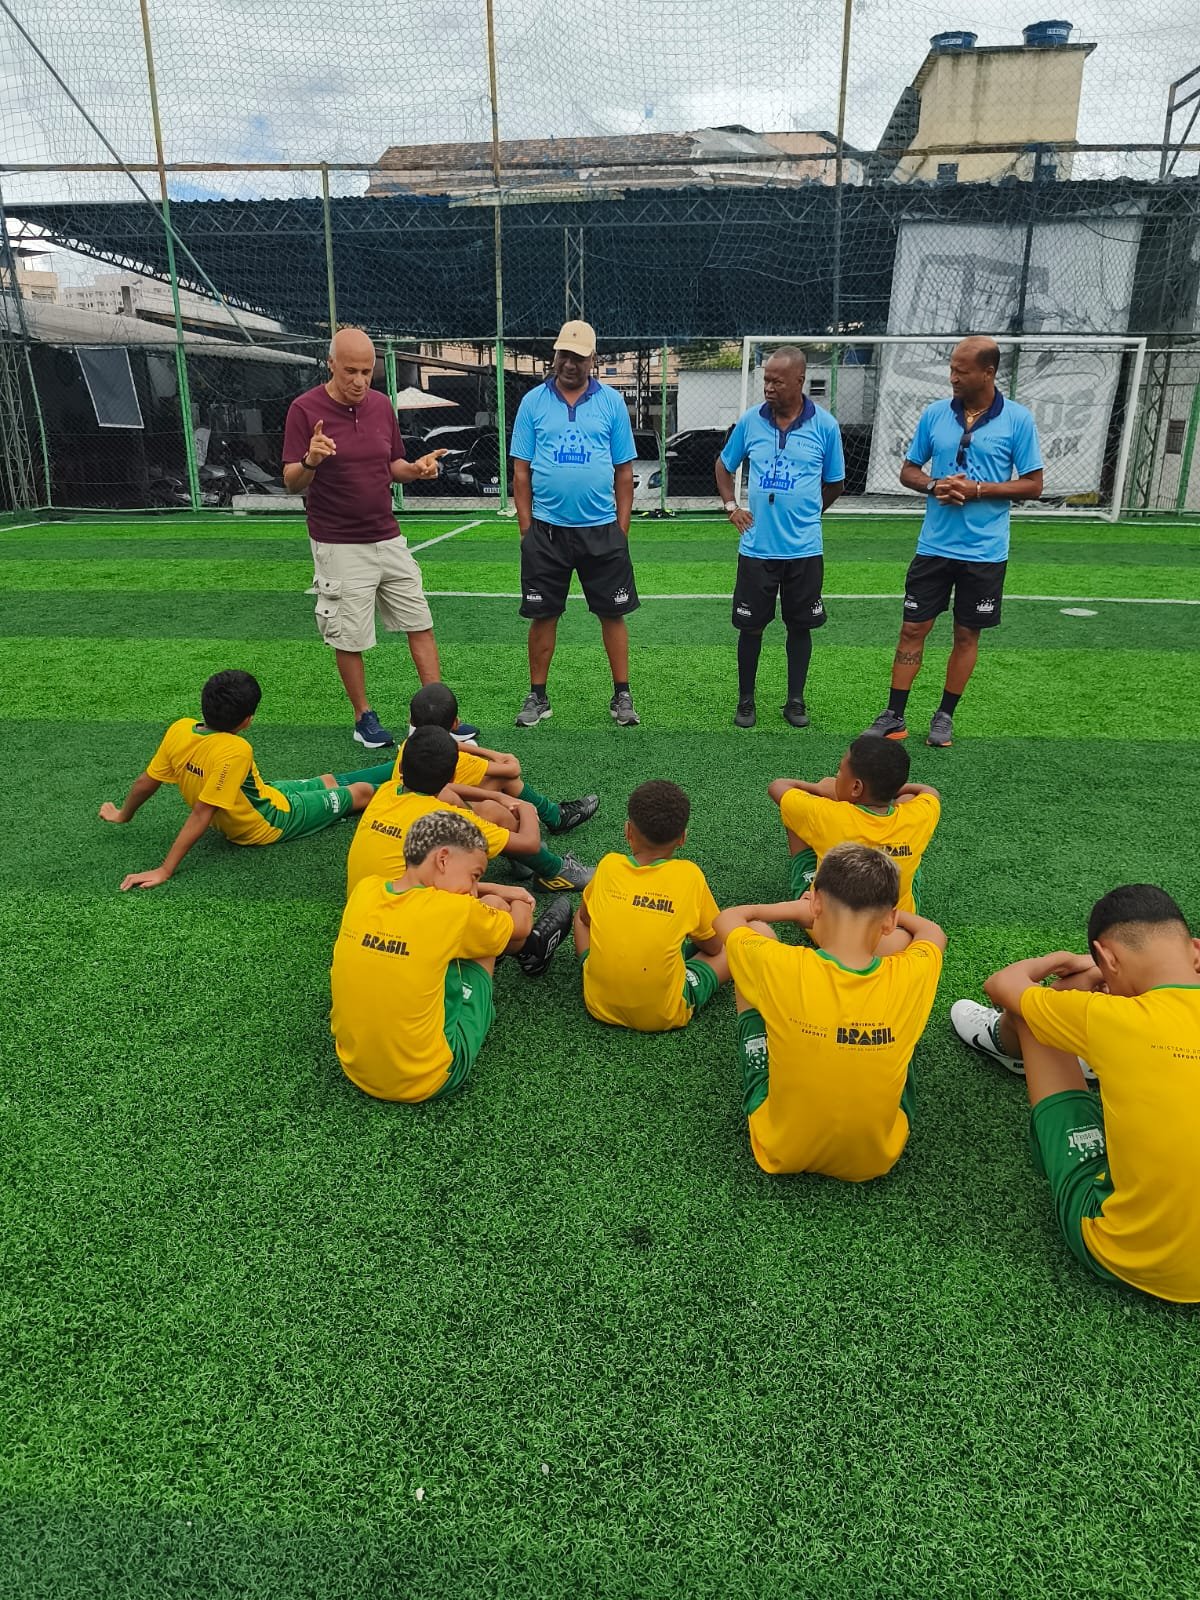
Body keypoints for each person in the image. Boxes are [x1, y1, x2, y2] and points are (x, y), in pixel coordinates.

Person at [951, 884, 1200, 1304]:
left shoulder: (1111, 1016)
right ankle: (1095, 1058)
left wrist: (1072, 965)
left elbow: (1002, 983)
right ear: (1194, 950)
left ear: (1108, 959)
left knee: (1036, 1016)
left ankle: (1010, 1046)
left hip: (1129, 1258)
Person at [282, 326, 472, 750]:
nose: (359, 381)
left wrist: (417, 469)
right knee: (348, 635)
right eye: (350, 370)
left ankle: (436, 716)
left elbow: (393, 465)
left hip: (387, 536)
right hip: (337, 542)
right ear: (330, 364)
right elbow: (292, 481)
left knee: (419, 620)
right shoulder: (303, 409)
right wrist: (311, 459)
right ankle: (363, 717)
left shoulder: (382, 406)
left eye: (367, 372)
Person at [716, 843, 945, 1180]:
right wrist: (890, 913)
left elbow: (730, 919)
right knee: (901, 966)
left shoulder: (780, 964)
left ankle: (759, 1052)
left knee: (756, 939)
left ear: (817, 902)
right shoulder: (912, 972)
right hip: (877, 1158)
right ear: (889, 919)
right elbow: (932, 932)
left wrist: (797, 908)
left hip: (780, 1149)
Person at [864, 335, 1043, 749]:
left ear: (989, 372)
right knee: (913, 628)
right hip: (934, 547)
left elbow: (1033, 485)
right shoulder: (934, 415)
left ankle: (944, 715)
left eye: (961, 371)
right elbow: (909, 470)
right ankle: (894, 715)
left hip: (984, 552)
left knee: (966, 635)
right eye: (951, 369)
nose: (953, 378)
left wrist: (978, 490)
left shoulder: (1017, 420)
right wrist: (934, 485)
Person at [332, 812, 570, 1105]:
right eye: (475, 876)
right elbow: (519, 924)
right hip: (429, 1078)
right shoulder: (453, 911)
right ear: (443, 859)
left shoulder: (365, 890)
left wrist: (491, 886)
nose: (472, 890)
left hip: (354, 1066)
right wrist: (519, 898)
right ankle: (533, 949)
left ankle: (504, 945)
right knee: (493, 908)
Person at [99, 669, 375, 890]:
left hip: (267, 795)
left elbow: (146, 781)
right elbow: (202, 813)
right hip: (268, 822)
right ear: (247, 720)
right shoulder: (236, 750)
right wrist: (165, 869)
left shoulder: (180, 728)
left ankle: (403, 761)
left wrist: (124, 814)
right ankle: (416, 788)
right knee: (360, 792)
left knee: (328, 780)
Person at [510, 320, 641, 729]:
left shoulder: (612, 403)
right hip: (546, 533)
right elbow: (521, 473)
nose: (569, 363)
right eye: (564, 355)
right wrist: (527, 531)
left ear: (593, 360)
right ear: (555, 355)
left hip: (602, 531)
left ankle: (622, 694)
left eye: (579, 357)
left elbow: (624, 472)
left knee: (612, 615)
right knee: (542, 615)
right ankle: (538, 696)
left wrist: (621, 530)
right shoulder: (533, 402)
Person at [714, 347, 845, 729]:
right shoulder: (750, 422)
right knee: (750, 626)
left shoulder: (825, 426)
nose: (768, 387)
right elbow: (724, 465)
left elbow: (835, 483)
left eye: (777, 381)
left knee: (799, 625)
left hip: (804, 550)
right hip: (757, 548)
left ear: (800, 382)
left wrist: (808, 512)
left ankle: (795, 701)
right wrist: (730, 507)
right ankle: (746, 700)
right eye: (766, 379)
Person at [345, 725, 593, 897]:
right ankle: (554, 872)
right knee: (503, 904)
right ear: (452, 773)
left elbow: (447, 790)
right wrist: (526, 809)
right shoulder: (450, 822)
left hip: (364, 904)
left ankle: (540, 861)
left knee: (480, 805)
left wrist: (494, 795)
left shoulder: (388, 790)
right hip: (413, 916)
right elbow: (529, 842)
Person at [575, 780, 729, 1032]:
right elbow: (713, 946)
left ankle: (591, 970)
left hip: (597, 1004)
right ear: (682, 838)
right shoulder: (690, 875)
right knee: (733, 947)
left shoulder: (608, 865)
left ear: (628, 831)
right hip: (663, 1015)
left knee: (579, 921)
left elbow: (585, 920)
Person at [354, 681, 600, 837]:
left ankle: (549, 820)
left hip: (405, 822)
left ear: (410, 720)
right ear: (455, 724)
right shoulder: (461, 761)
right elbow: (512, 768)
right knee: (504, 785)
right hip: (439, 829)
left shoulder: (408, 746)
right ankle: (548, 828)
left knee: (493, 793)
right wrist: (491, 753)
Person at [767, 734, 940, 951]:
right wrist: (893, 790)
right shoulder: (920, 816)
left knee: (796, 808)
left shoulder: (829, 815)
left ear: (856, 787)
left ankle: (806, 875)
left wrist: (822, 789)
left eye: (840, 771)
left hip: (828, 931)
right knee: (908, 804)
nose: (836, 776)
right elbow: (929, 792)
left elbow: (778, 787)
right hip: (898, 927)